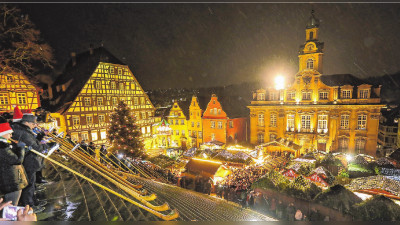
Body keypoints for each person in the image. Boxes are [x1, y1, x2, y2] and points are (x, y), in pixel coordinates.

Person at [11, 113, 51, 213]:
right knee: (28, 185)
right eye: (33, 124)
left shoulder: (24, 130)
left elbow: (33, 143)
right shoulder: (24, 132)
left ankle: (33, 202)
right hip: (27, 161)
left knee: (31, 184)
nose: (35, 125)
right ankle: (28, 206)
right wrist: (49, 146)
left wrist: (40, 137)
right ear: (27, 122)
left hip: (28, 160)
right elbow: (36, 147)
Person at [0, 122, 28, 206]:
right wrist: (21, 149)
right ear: (2, 134)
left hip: (10, 179)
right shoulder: (2, 147)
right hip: (10, 181)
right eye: (9, 133)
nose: (11, 136)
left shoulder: (4, 144)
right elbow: (17, 160)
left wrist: (17, 148)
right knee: (12, 204)